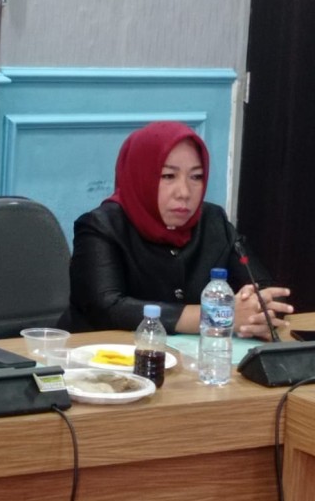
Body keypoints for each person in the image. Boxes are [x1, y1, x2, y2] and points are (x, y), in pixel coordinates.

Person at [58, 121, 293, 339]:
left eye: (196, 177)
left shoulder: (214, 221)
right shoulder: (101, 226)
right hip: (102, 359)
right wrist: (217, 316)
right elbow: (107, 308)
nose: (184, 192)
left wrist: (257, 314)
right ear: (141, 176)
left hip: (193, 361)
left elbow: (267, 290)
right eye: (168, 176)